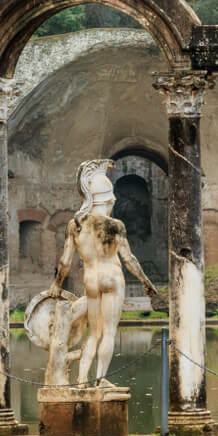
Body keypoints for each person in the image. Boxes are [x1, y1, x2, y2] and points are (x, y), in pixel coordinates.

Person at [48, 159, 157, 387]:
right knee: (108, 332)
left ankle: (81, 380)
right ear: (109, 199)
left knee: (93, 333)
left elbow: (65, 261)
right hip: (111, 277)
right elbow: (128, 259)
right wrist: (145, 281)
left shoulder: (75, 225)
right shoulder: (115, 225)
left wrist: (57, 284)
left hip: (91, 279)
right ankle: (100, 380)